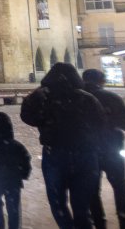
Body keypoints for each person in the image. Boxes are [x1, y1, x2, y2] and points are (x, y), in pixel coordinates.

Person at [20, 63, 106, 229]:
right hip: (85, 154)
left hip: (56, 154)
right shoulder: (86, 98)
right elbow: (100, 123)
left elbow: (28, 117)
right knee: (82, 206)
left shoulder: (44, 97)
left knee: (58, 203)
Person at [82, 69, 125, 229]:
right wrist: (111, 120)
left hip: (88, 151)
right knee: (119, 186)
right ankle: (124, 221)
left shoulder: (78, 98)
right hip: (111, 148)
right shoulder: (111, 97)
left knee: (93, 189)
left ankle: (99, 223)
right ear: (102, 81)